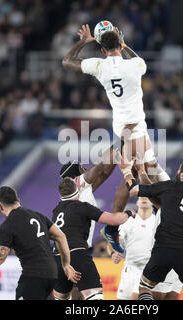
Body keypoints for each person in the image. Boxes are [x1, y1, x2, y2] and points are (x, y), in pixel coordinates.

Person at [62, 24, 170, 252]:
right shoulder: (135, 65)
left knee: (129, 172)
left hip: (123, 127)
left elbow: (67, 61)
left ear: (102, 49)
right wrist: (124, 44)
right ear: (120, 44)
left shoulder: (99, 66)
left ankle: (106, 216)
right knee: (142, 174)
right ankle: (113, 225)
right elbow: (140, 60)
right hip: (135, 128)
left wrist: (84, 41)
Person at [118, 156, 183, 300]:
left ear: (182, 175)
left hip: (163, 249)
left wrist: (126, 170)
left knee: (144, 287)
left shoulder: (169, 187)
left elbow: (134, 190)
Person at [0, 186, 81, 300]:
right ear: (18, 200)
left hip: (34, 276)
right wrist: (66, 264)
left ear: (0, 206)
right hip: (52, 274)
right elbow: (61, 236)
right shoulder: (39, 216)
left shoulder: (8, 225)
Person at [52, 177, 136, 300]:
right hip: (76, 255)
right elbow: (114, 220)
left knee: (62, 298)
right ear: (77, 188)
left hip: (57, 259)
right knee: (95, 297)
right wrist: (128, 213)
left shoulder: (56, 210)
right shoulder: (82, 206)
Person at [112, 197, 183, 300]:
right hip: (129, 270)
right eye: (141, 197)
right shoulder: (129, 221)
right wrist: (113, 252)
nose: (144, 199)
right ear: (137, 202)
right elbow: (116, 240)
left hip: (147, 271)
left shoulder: (158, 222)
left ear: (152, 202)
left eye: (147, 197)